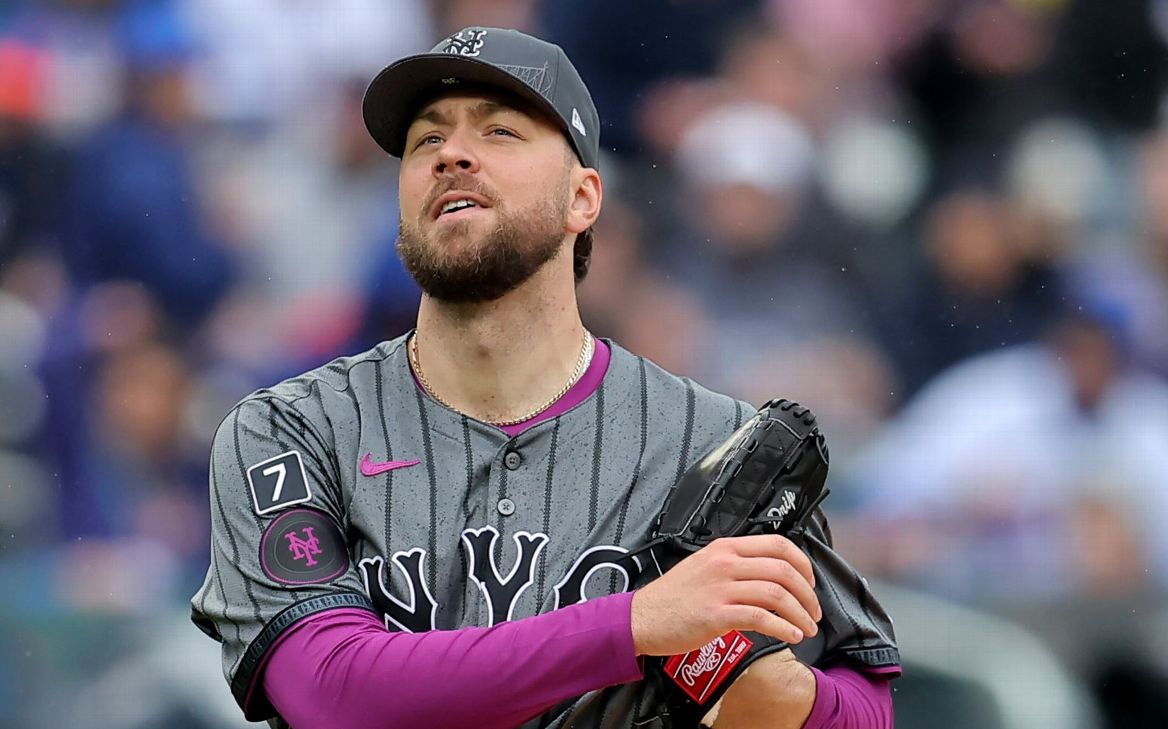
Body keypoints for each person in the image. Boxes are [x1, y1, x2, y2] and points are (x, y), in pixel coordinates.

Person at [190, 27, 900, 729]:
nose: (451, 154)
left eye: (499, 131)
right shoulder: (291, 428)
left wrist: (784, 701)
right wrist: (635, 623)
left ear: (582, 198)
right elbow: (329, 691)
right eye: (426, 140)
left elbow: (864, 694)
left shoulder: (719, 443)